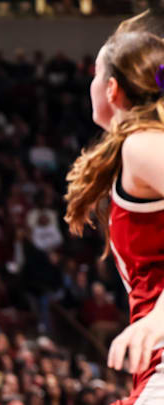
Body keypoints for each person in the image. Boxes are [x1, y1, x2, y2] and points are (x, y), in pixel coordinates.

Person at [64, 31, 164, 404]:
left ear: (110, 89)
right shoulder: (139, 145)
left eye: (93, 74)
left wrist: (157, 319)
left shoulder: (143, 144)